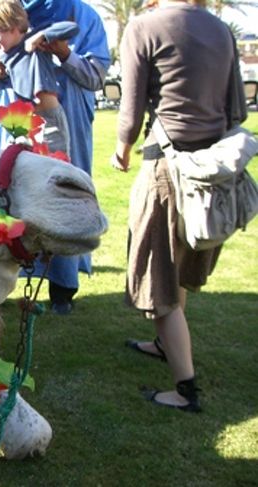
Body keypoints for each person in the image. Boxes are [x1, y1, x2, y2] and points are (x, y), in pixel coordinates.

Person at [112, 0, 246, 411]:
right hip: (211, 172)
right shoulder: (221, 29)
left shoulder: (144, 26)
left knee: (159, 277)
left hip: (167, 169)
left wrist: (122, 148)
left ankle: (185, 390)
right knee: (180, 265)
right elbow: (237, 107)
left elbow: (130, 111)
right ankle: (163, 345)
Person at [0, 0, 109, 314]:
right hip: (13, 111)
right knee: (6, 191)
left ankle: (63, 285)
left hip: (63, 113)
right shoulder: (8, 7)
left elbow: (96, 76)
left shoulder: (82, 16)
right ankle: (2, 278)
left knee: (64, 188)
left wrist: (63, 53)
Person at [0, 0, 76, 156]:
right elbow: (0, 79)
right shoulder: (4, 56)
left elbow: (71, 28)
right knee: (13, 164)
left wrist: (42, 36)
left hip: (48, 119)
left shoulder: (36, 41)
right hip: (22, 122)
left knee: (54, 166)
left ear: (13, 27)